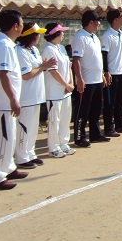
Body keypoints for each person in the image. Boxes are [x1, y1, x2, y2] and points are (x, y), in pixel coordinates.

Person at [13, 22, 55, 168]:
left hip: (36, 96)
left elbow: (37, 69)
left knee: (32, 127)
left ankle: (30, 153)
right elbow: (26, 75)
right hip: (26, 97)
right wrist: (42, 67)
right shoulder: (19, 51)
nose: (39, 36)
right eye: (37, 34)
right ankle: (21, 157)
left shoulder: (34, 50)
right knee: (24, 127)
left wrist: (43, 66)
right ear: (30, 35)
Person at [0, 10, 26, 190]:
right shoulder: (3, 45)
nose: (22, 26)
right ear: (15, 26)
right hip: (2, 102)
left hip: (7, 103)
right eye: (21, 23)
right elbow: (3, 74)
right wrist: (13, 99)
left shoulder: (8, 44)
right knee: (3, 137)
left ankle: (8, 166)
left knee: (10, 136)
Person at [72, 10, 108, 148]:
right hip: (86, 81)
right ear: (91, 22)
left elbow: (97, 58)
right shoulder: (80, 37)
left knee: (96, 109)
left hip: (97, 80)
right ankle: (79, 137)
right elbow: (76, 60)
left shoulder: (95, 37)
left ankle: (95, 134)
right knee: (83, 111)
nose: (99, 23)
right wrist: (79, 79)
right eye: (97, 21)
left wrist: (102, 75)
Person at [43, 22, 75, 159]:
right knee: (54, 120)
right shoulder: (48, 49)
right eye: (61, 32)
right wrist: (66, 85)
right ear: (55, 34)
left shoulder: (61, 48)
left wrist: (71, 83)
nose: (63, 34)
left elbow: (68, 67)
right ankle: (54, 147)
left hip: (65, 92)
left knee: (65, 119)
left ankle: (63, 143)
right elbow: (53, 72)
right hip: (54, 92)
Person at [101, 9, 122, 136]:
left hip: (120, 71)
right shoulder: (107, 36)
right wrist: (106, 71)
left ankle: (120, 124)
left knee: (120, 100)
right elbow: (104, 54)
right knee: (110, 101)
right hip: (111, 73)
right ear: (115, 20)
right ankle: (108, 127)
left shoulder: (120, 34)